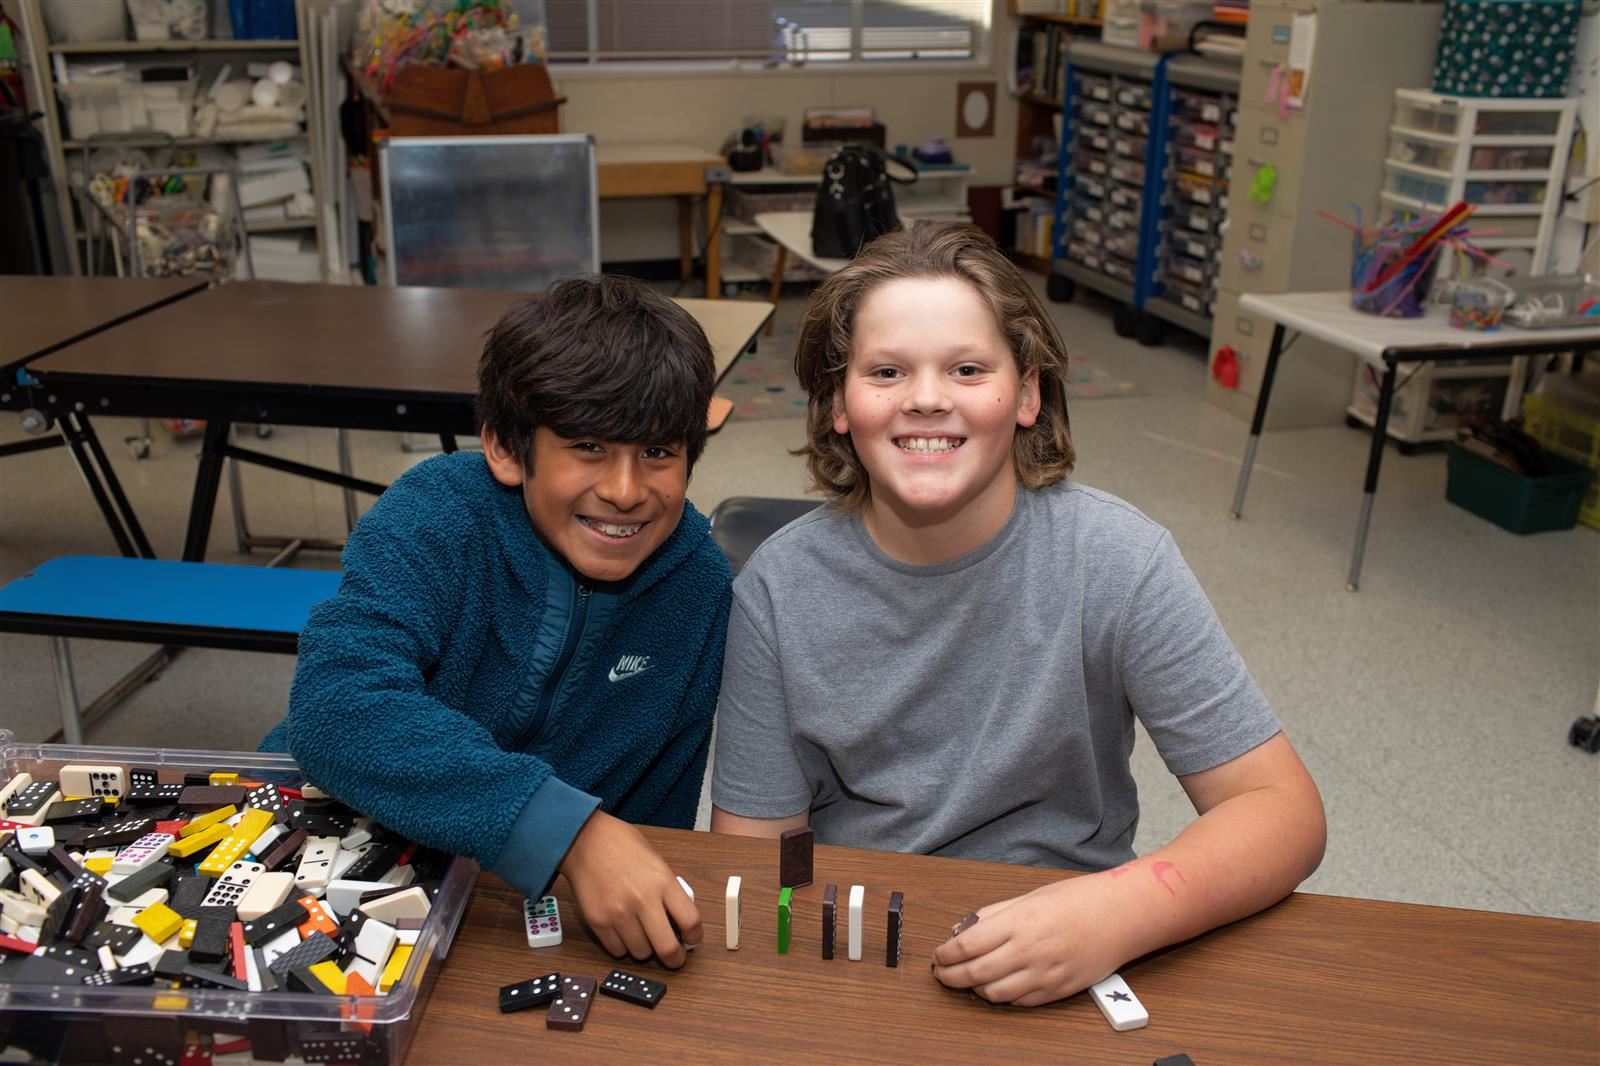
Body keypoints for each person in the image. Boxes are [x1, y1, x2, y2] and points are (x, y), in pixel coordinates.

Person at [709, 222, 1326, 1006]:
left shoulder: (1115, 559)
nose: (927, 398)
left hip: (1081, 933)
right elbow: (764, 855)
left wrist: (1122, 909)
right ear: (838, 402)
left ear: (1029, 393)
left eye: (968, 369)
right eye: (887, 371)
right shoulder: (779, 589)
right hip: (865, 942)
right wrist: (815, 954)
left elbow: (1280, 811)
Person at [262, 274, 731, 968]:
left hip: (517, 909)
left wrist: (613, 869)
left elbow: (654, 813)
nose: (627, 491)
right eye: (589, 447)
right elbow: (336, 707)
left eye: (659, 453)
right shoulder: (436, 514)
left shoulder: (698, 582)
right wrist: (565, 829)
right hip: (320, 844)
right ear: (508, 450)